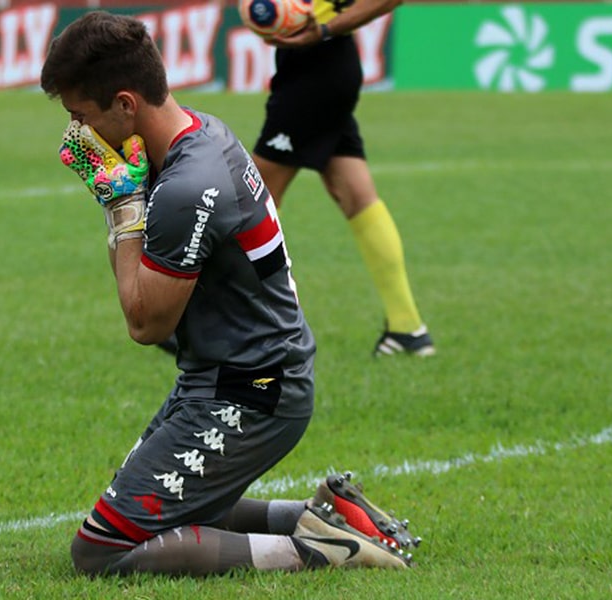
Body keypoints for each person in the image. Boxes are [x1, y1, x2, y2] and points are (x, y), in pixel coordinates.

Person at [40, 11, 419, 577]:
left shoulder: (187, 188)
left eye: (82, 116)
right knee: (171, 513)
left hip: (252, 391)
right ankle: (325, 514)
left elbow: (146, 324)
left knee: (100, 549)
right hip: (238, 375)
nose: (78, 134)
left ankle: (315, 550)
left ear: (125, 105)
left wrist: (119, 205)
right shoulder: (203, 131)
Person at [253, 0, 436, 357]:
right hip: (318, 70)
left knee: (252, 200)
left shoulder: (322, 29)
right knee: (354, 194)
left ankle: (225, 324)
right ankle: (408, 328)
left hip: (317, 72)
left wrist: (323, 27)